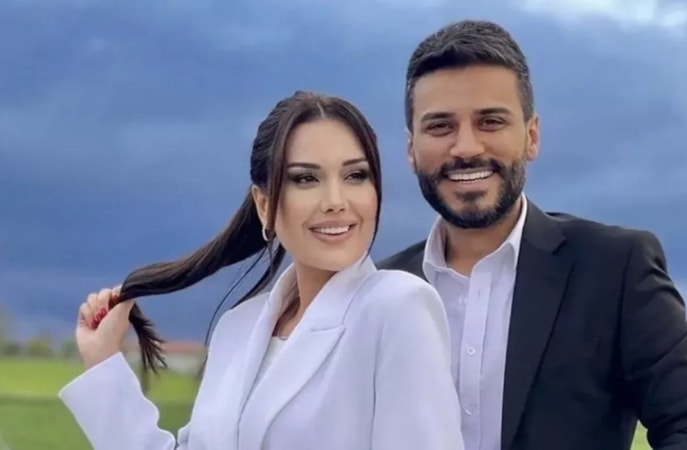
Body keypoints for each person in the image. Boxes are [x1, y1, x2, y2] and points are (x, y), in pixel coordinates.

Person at [379, 20, 687, 450]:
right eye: (440, 126)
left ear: (531, 137)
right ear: (411, 149)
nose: (467, 147)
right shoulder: (378, 293)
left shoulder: (616, 269)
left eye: (490, 121)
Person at [59, 91, 465, 450]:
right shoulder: (238, 328)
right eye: (306, 179)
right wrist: (104, 362)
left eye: (355, 175)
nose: (336, 200)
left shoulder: (398, 307)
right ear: (264, 204)